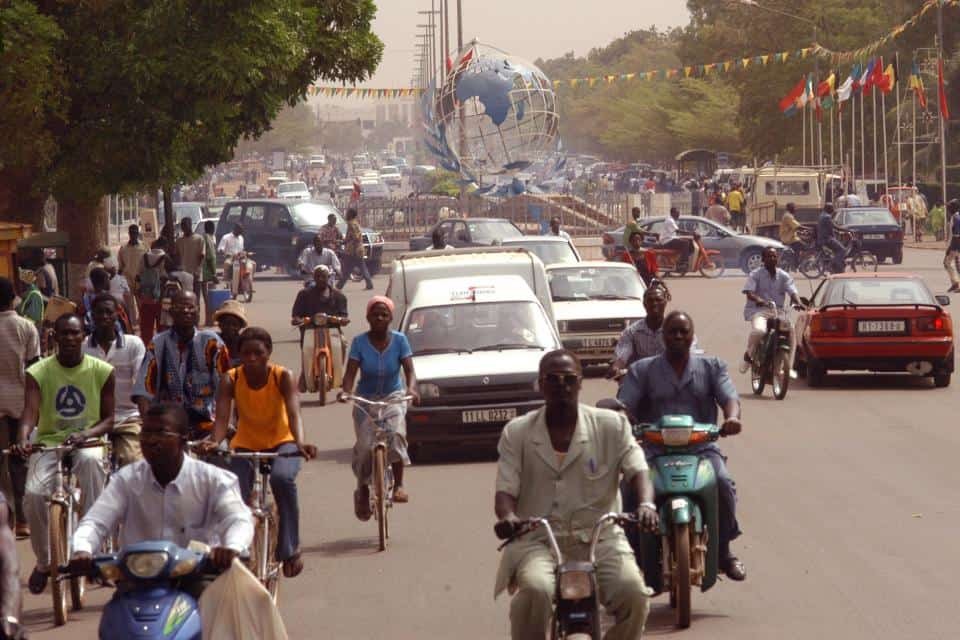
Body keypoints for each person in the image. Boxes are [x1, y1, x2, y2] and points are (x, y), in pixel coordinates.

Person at [494, 349, 656, 639]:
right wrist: (507, 517)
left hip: (600, 538)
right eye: (553, 380)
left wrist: (646, 504)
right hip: (539, 540)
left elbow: (638, 470)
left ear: (581, 383)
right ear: (540, 385)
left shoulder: (611, 425)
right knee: (535, 590)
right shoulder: (516, 433)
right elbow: (505, 490)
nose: (562, 386)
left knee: (634, 593)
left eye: (569, 379)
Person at [617, 311, 746, 581]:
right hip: (653, 449)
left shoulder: (712, 367)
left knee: (723, 483)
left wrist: (732, 418)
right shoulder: (642, 370)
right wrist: (624, 418)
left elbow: (729, 397)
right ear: (663, 337)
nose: (678, 336)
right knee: (629, 489)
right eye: (672, 332)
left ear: (692, 336)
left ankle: (723, 550)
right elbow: (624, 404)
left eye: (683, 332)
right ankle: (631, 553)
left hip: (700, 449)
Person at [70, 403, 253, 577]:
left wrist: (232, 547)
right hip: (138, 583)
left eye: (161, 433)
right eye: (146, 433)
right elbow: (95, 521)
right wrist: (82, 549)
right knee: (115, 610)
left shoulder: (214, 480)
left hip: (197, 580)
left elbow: (238, 519)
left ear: (184, 440)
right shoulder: (126, 480)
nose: (151, 440)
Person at [202, 328, 318, 578]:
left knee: (281, 479)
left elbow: (294, 412)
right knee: (234, 491)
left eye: (258, 353)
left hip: (283, 442)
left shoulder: (281, 376)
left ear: (269, 353)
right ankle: (236, 544)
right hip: (246, 443)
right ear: (239, 355)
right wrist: (214, 441)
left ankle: (289, 547)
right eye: (246, 353)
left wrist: (300, 442)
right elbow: (222, 418)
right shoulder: (230, 378)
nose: (252, 358)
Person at [15, 313, 115, 594]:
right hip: (48, 442)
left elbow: (109, 420)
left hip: (87, 441)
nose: (70, 338)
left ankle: (90, 550)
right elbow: (29, 414)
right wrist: (22, 438)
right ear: (54, 337)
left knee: (93, 467)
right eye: (64, 334)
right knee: (33, 496)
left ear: (84, 336)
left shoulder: (102, 370)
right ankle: (45, 561)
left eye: (76, 333)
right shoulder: (39, 372)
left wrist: (86, 434)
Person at [338, 296, 418, 519]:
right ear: (368, 318)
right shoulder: (359, 342)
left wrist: (412, 389)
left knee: (396, 434)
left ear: (391, 317)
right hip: (366, 398)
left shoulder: (400, 341)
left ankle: (400, 484)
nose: (380, 318)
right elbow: (350, 374)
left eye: (384, 314)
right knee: (364, 446)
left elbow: (410, 371)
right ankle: (363, 488)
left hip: (393, 395)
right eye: (375, 314)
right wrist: (346, 392)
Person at [133, 291, 230, 439]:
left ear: (198, 311)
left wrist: (219, 433)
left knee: (222, 454)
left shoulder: (212, 343)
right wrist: (151, 428)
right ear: (171, 311)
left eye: (191, 307)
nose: (186, 311)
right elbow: (143, 392)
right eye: (180, 306)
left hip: (206, 425)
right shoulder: (158, 343)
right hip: (167, 426)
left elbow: (225, 390)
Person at [83, 293, 146, 467]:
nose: (104, 316)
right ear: (92, 315)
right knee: (88, 463)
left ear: (117, 314)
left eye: (108, 312)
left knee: (133, 462)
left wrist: (147, 424)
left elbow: (141, 387)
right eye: (99, 312)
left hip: (127, 418)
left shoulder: (134, 344)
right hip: (93, 420)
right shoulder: (83, 347)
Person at [0, 277, 39, 538]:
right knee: (21, 462)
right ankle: (24, 519)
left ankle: (8, 517)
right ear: (14, 297)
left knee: (1, 464)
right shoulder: (27, 327)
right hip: (22, 405)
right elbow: (35, 368)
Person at [738, 247, 803, 375]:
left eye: (774, 256)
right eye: (769, 256)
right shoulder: (755, 274)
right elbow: (749, 293)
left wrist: (798, 302)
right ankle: (748, 356)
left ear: (778, 258)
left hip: (778, 312)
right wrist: (759, 299)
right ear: (763, 259)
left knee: (791, 332)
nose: (772, 258)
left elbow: (792, 291)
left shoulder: (784, 276)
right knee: (759, 331)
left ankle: (788, 367)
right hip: (759, 310)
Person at [607, 282, 680, 377]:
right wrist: (616, 367)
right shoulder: (632, 331)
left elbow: (689, 353)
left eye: (658, 300)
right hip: (641, 380)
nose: (654, 304)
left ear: (665, 302)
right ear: (644, 304)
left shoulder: (677, 330)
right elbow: (622, 355)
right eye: (650, 300)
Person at [139, 237, 175, 343]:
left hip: (146, 297)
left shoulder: (144, 257)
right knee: (162, 328)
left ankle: (146, 350)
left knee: (146, 329)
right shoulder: (166, 258)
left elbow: (138, 274)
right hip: (161, 298)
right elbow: (171, 276)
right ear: (165, 246)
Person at [336, 208, 373, 290]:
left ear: (350, 215)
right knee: (362, 267)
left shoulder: (351, 224)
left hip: (353, 250)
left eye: (347, 213)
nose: (346, 215)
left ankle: (339, 286)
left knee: (347, 270)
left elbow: (354, 237)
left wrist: (345, 241)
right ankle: (369, 284)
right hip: (358, 249)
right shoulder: (355, 223)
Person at [175, 217, 206, 304]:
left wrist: (198, 271)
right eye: (182, 226)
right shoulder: (179, 241)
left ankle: (197, 317)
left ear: (190, 225)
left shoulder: (199, 239)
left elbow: (202, 256)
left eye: (185, 225)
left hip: (195, 275)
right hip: (183, 276)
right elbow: (177, 256)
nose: (184, 228)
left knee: (195, 300)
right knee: (184, 300)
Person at [103, 257, 137, 329]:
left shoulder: (119, 279)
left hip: (117, 304)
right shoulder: (119, 279)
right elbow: (127, 292)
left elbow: (127, 292)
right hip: (116, 304)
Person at [213, 299, 247, 368]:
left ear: (241, 326)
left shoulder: (245, 343)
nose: (230, 328)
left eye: (234, 324)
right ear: (220, 324)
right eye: (226, 324)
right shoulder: (213, 341)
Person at [816, 203, 850, 273]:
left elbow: (829, 228)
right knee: (842, 250)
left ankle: (837, 268)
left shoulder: (822, 215)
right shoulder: (827, 217)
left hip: (823, 238)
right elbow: (834, 226)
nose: (833, 210)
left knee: (837, 250)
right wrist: (846, 229)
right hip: (827, 239)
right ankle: (834, 264)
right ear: (828, 209)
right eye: (832, 208)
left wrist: (838, 232)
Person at [118, 224, 148, 291]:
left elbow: (148, 264)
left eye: (135, 233)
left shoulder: (144, 247)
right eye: (131, 233)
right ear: (129, 233)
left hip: (140, 280)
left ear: (138, 233)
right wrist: (118, 280)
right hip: (127, 281)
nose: (133, 235)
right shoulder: (123, 248)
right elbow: (120, 266)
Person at [201, 220, 218, 326]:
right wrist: (214, 273)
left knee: (206, 297)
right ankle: (209, 321)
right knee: (209, 298)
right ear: (212, 228)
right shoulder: (208, 239)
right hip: (208, 273)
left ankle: (208, 320)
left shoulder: (203, 237)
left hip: (202, 273)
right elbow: (211, 257)